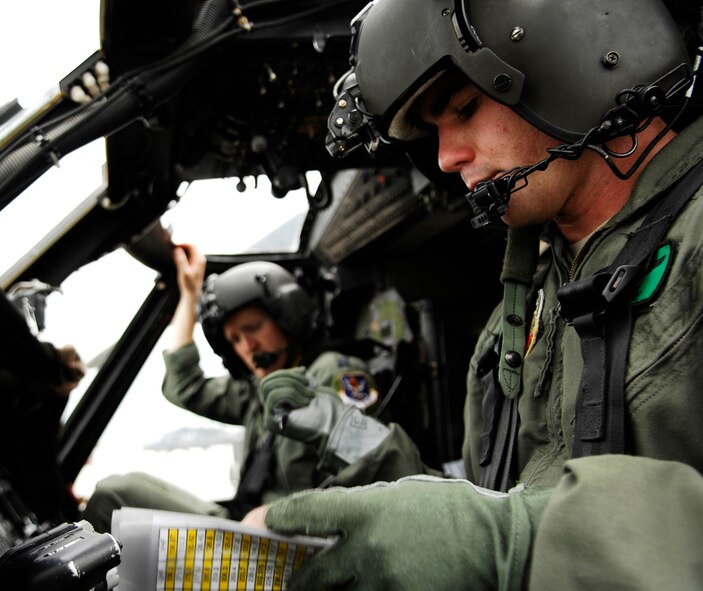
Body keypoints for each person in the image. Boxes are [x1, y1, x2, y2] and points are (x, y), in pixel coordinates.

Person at [248, 0, 703, 588]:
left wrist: (522, 543)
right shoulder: (513, 325)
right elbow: (485, 507)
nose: (445, 157)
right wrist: (353, 439)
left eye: (463, 108)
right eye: (436, 131)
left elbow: (501, 534)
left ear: (564, 57)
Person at [81, 243, 383, 533]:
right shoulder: (259, 389)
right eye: (235, 340)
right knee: (118, 494)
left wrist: (282, 514)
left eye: (252, 329)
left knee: (113, 496)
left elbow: (367, 478)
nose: (247, 347)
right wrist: (189, 295)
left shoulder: (334, 372)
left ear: (288, 315)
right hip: (245, 527)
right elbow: (184, 386)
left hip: (296, 539)